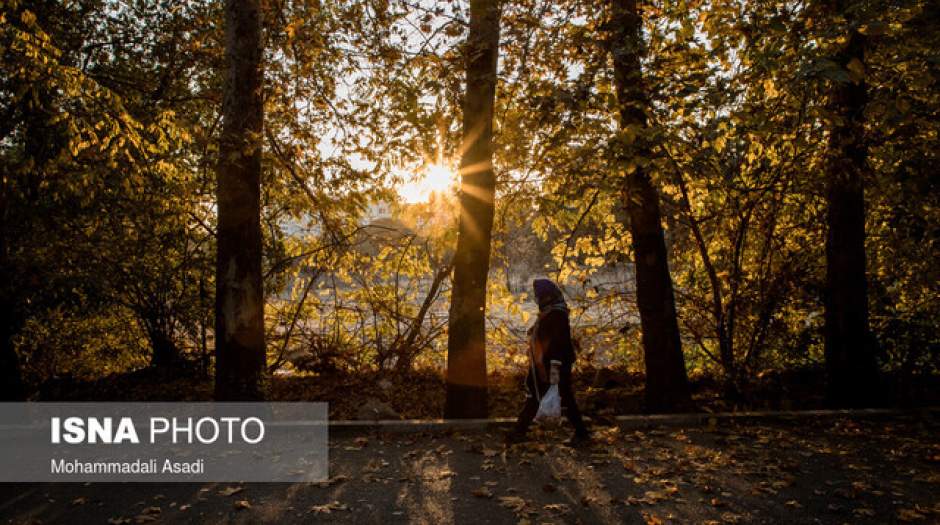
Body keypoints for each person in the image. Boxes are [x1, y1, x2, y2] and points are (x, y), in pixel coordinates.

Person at [506, 278, 590, 445]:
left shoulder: (556, 314)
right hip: (552, 363)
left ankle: (519, 432)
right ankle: (581, 434)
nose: (538, 300)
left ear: (547, 297)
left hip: (552, 364)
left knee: (537, 394)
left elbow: (556, 342)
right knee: (559, 395)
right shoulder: (554, 312)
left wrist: (549, 368)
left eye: (540, 296)